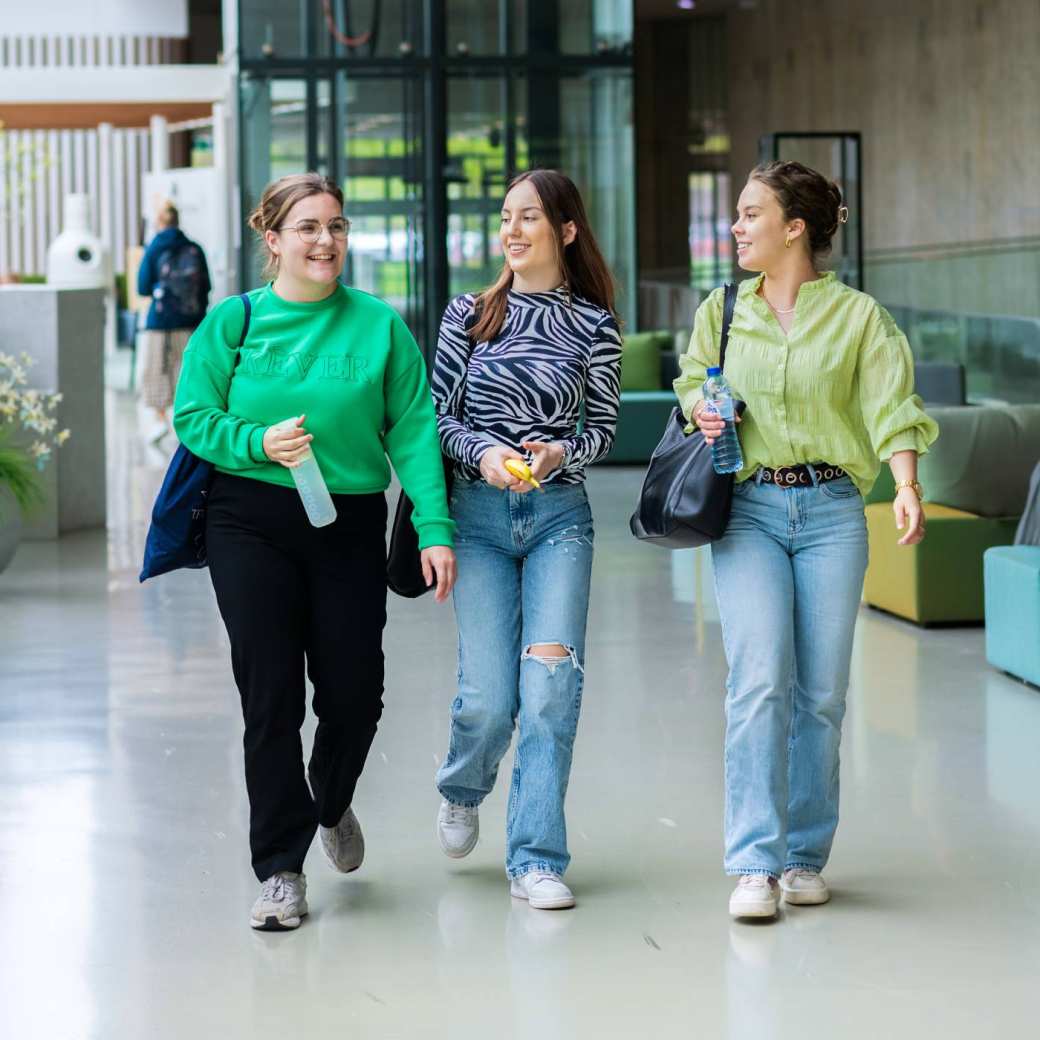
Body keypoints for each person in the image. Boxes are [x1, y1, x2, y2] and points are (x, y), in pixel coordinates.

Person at [172, 173, 457, 931]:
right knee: (271, 697)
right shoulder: (233, 323)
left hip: (349, 522)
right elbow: (193, 416)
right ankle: (280, 869)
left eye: (335, 225)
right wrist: (256, 441)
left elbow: (415, 434)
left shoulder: (378, 326)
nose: (325, 240)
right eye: (307, 227)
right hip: (249, 519)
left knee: (355, 692)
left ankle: (328, 802)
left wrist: (433, 529)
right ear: (273, 240)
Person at [674, 160, 939, 920]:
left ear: (796, 228)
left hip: (830, 514)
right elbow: (694, 378)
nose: (736, 227)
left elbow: (893, 406)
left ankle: (804, 857)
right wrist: (705, 407)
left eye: (752, 214)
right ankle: (753, 863)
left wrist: (908, 485)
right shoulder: (721, 309)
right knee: (759, 680)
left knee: (820, 696)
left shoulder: (860, 318)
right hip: (751, 508)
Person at [431, 169, 623, 910]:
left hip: (558, 520)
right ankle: (463, 785)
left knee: (548, 691)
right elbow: (438, 420)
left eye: (529, 218)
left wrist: (556, 456)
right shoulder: (468, 314)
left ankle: (536, 857)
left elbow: (601, 432)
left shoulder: (595, 324)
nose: (511, 231)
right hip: (477, 518)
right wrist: (482, 453)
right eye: (505, 218)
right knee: (486, 697)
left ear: (565, 231)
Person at [137, 202, 211, 443]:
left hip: (160, 321)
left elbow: (142, 287)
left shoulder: (154, 248)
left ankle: (160, 419)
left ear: (159, 222)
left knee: (158, 369)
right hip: (191, 320)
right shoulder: (194, 248)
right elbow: (206, 286)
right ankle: (186, 420)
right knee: (187, 369)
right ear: (178, 221)